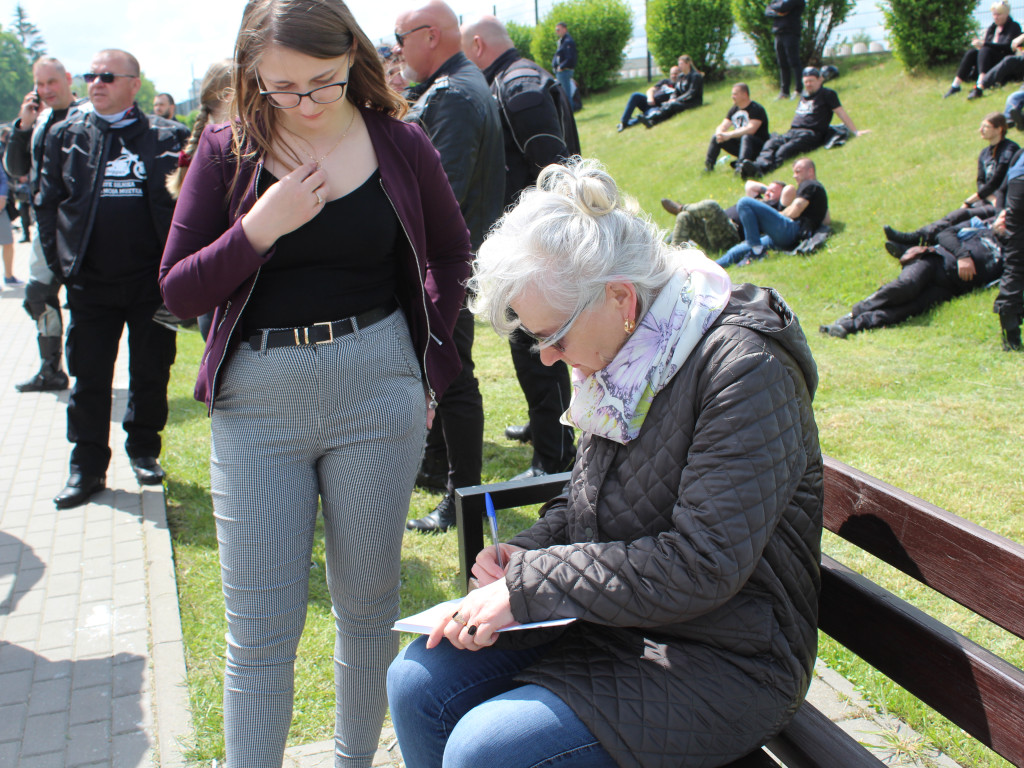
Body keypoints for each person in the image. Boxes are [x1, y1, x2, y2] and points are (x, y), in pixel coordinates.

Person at [387, 158, 824, 768]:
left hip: (729, 656)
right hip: (622, 621)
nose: (547, 357)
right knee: (417, 681)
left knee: (486, 752)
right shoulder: (630, 348)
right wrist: (528, 552)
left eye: (554, 335)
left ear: (619, 296)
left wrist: (534, 585)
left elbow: (703, 562)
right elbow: (590, 498)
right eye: (536, 340)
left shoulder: (744, 368)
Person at [158, 0, 473, 765]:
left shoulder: (397, 139)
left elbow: (451, 256)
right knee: (260, 630)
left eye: (322, 83)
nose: (303, 103)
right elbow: (176, 290)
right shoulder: (228, 148)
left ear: (352, 59)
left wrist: (422, 363)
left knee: (369, 614)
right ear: (251, 75)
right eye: (281, 88)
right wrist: (260, 228)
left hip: (378, 389)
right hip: (257, 404)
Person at [36, 49, 188, 509]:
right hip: (91, 284)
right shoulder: (66, 135)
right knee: (89, 377)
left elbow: (189, 209)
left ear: (133, 84)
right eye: (91, 75)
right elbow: (47, 202)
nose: (96, 83)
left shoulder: (168, 136)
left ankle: (144, 450)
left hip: (151, 285)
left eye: (106, 76)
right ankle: (86, 466)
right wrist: (61, 266)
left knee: (150, 371)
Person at [396, 0, 504, 533]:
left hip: (449, 261)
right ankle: (441, 472)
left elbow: (444, 195)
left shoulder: (455, 94)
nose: (397, 51)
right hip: (452, 257)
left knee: (455, 377)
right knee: (445, 372)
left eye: (401, 39)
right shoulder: (459, 84)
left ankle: (460, 502)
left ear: (431, 35)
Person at [461, 14, 579, 480]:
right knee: (536, 347)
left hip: (537, 249)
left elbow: (556, 166)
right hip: (534, 241)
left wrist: (546, 240)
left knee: (535, 349)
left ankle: (553, 458)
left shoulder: (518, 84)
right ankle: (546, 425)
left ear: (475, 45)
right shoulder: (519, 77)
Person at [3, 56, 84, 393]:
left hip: (82, 227)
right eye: (40, 85)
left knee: (86, 301)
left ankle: (88, 372)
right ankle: (51, 368)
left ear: (67, 79)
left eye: (52, 82)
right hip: (45, 226)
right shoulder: (38, 121)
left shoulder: (88, 115)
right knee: (38, 295)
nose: (47, 90)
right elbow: (16, 168)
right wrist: (22, 128)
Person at [820, 224, 1005, 339]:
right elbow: (944, 234)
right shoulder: (980, 231)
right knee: (906, 287)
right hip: (933, 262)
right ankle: (855, 312)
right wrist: (963, 256)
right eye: (1004, 215)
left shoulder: (1011, 255)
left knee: (907, 310)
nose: (1004, 219)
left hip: (949, 287)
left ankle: (848, 326)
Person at [163, 59, 233, 341]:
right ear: (230, 95)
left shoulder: (199, 147)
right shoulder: (221, 149)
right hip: (222, 289)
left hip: (211, 288)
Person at [884, 113, 1019, 246]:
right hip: (988, 201)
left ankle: (917, 238)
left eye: (986, 126)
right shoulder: (984, 153)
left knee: (959, 216)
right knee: (956, 219)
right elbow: (980, 181)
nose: (980, 130)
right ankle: (918, 239)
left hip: (1002, 205)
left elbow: (997, 180)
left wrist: (970, 200)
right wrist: (989, 199)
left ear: (999, 129)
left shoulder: (1010, 149)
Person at [738, 67, 868, 180]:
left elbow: (841, 112)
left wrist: (855, 132)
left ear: (819, 80)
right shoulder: (804, 95)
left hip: (811, 134)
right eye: (806, 82)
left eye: (811, 81)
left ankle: (763, 171)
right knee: (771, 143)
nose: (809, 84)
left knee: (784, 150)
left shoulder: (827, 94)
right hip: (793, 131)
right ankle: (756, 167)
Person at [719, 157, 828, 266]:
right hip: (792, 238)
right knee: (737, 251)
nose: (794, 175)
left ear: (810, 171)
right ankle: (709, 269)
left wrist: (777, 215)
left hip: (792, 230)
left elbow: (796, 209)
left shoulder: (810, 184)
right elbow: (827, 220)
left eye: (798, 171)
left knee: (744, 202)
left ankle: (757, 251)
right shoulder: (818, 190)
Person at [661, 180, 794, 253]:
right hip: (713, 232)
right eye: (768, 190)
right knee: (684, 217)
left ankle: (680, 207)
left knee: (711, 206)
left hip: (730, 236)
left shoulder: (775, 208)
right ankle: (674, 257)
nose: (769, 192)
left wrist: (778, 194)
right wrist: (768, 190)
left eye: (774, 191)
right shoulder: (757, 199)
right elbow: (750, 184)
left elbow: (790, 190)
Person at [945, 2, 1021, 100]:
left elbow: (1007, 47)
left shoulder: (1014, 27)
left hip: (1003, 62)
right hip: (988, 59)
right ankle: (955, 85)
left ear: (1006, 14)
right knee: (972, 53)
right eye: (994, 14)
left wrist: (984, 44)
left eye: (998, 14)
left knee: (985, 50)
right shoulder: (992, 28)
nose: (995, 17)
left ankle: (980, 83)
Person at [995, 150, 1024, 349]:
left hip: (1016, 190)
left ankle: (1011, 334)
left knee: (1014, 263)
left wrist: (1001, 213)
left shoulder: (1019, 155)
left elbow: (1002, 189)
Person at [705, 82, 769, 172]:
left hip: (757, 146)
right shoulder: (734, 109)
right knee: (716, 137)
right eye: (732, 94)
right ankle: (709, 167)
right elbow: (724, 125)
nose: (732, 96)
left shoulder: (756, 109)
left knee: (746, 137)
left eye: (735, 94)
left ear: (744, 95)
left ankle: (740, 167)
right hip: (740, 146)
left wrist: (729, 135)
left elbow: (751, 129)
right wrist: (719, 133)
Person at [639, 54, 703, 128]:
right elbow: (676, 91)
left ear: (687, 64)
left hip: (692, 102)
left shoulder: (695, 76)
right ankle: (653, 122)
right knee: (667, 105)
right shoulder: (681, 76)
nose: (679, 66)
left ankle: (650, 117)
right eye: (679, 64)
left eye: (681, 64)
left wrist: (676, 100)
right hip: (681, 101)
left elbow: (691, 93)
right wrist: (672, 98)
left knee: (672, 105)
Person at [617, 65, 679, 132]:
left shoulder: (679, 86)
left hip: (657, 107)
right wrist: (650, 98)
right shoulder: (665, 82)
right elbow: (650, 90)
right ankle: (624, 122)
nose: (673, 76)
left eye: (676, 74)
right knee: (635, 95)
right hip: (649, 101)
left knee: (651, 115)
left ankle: (629, 123)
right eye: (672, 74)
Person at [766, 0, 804, 100]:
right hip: (778, 33)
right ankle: (784, 92)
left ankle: (799, 90)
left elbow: (783, 6)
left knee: (794, 62)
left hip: (791, 32)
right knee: (782, 63)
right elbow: (767, 11)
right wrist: (778, 13)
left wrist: (775, 8)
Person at [551, 21, 577, 105]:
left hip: (564, 71)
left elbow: (570, 57)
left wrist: (561, 67)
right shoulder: (562, 41)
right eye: (556, 30)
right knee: (564, 94)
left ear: (565, 29)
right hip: (561, 71)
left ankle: (569, 115)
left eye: (559, 29)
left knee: (566, 95)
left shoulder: (567, 41)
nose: (557, 32)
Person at [0, 169, 18, 286]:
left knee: (8, 242)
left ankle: (9, 276)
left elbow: (3, 180)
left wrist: (2, 197)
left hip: (1, 208)